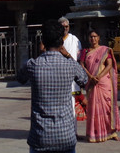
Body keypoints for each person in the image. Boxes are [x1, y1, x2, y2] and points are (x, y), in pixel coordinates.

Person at [17, 20, 87, 153]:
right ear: (62, 42)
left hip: (40, 136)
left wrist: (41, 53)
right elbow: (84, 79)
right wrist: (67, 55)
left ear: (43, 42)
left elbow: (20, 78)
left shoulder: (33, 65)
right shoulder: (70, 65)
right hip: (65, 136)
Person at [79, 29, 120, 143]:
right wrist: (91, 77)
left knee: (108, 107)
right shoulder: (85, 51)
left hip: (103, 82)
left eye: (95, 36)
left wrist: (99, 76)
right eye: (91, 37)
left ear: (99, 38)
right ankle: (94, 134)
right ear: (88, 38)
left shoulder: (104, 50)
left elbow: (109, 64)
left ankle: (112, 132)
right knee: (93, 109)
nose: (93, 39)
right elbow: (82, 65)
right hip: (91, 82)